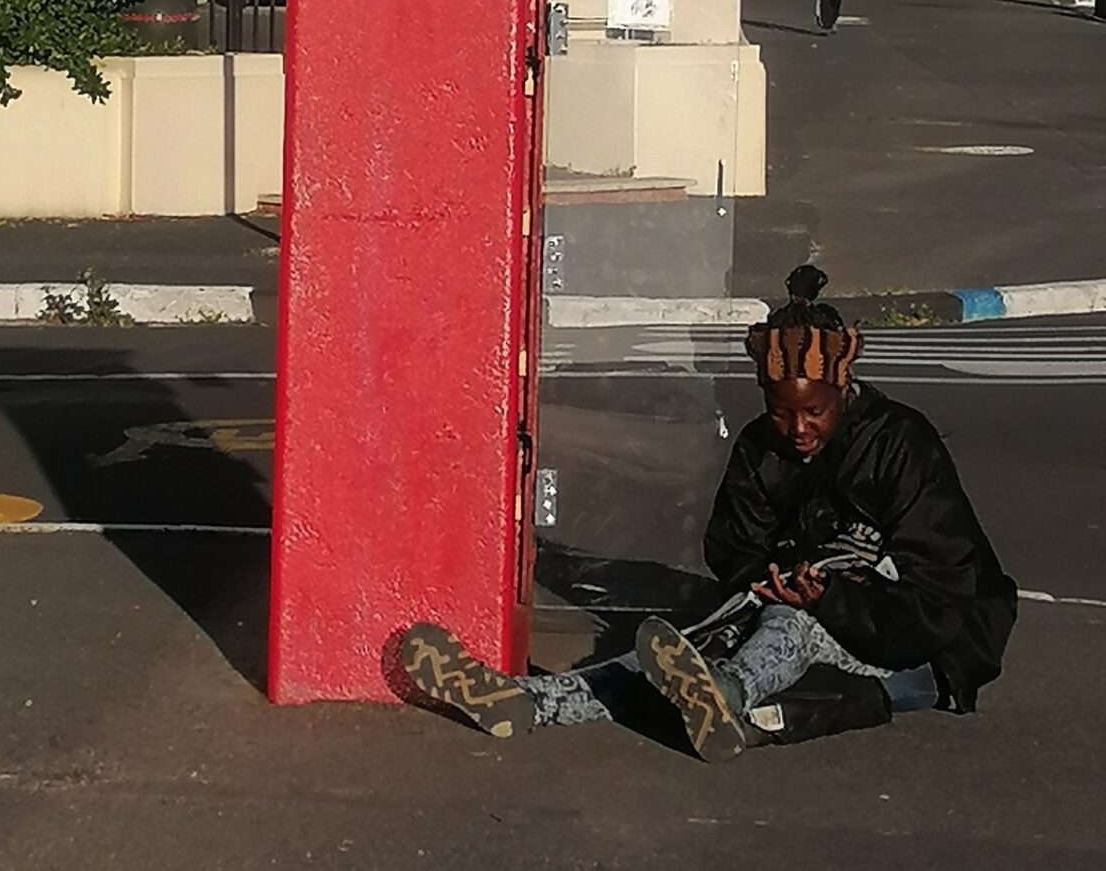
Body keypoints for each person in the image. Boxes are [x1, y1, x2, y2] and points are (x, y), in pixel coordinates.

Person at [401, 266, 1016, 761]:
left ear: (844, 390)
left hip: (922, 645)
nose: (797, 430)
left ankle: (727, 693)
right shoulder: (758, 447)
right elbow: (734, 547)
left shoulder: (902, 444)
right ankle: (527, 700)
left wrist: (825, 600)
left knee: (787, 627)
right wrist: (772, 576)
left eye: (815, 414)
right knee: (695, 648)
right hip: (802, 605)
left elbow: (944, 593)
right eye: (782, 414)